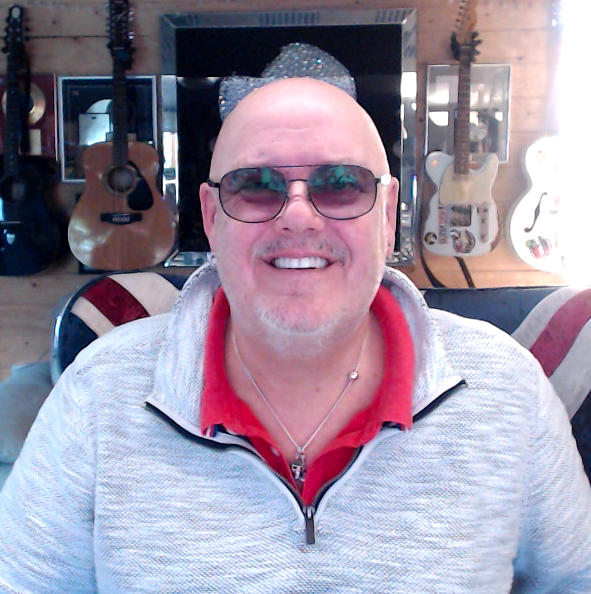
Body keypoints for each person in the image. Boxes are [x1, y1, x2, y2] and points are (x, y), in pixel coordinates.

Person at [1, 76, 591, 593]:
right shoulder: (98, 394)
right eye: (257, 185)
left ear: (387, 215)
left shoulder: (508, 391)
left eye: (341, 183)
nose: (299, 215)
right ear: (211, 216)